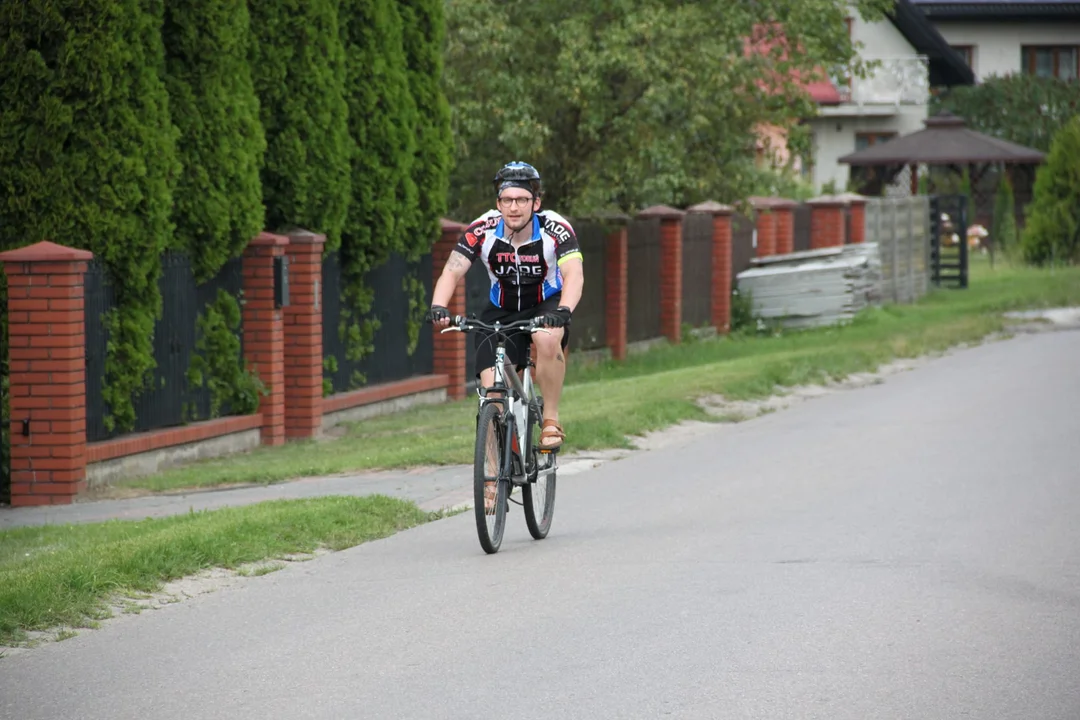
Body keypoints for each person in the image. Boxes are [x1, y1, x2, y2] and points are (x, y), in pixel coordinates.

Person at [427, 161, 583, 453]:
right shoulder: (483, 228)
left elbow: (574, 273)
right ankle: (493, 482)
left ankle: (551, 418)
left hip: (546, 305)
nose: (514, 207)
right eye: (507, 200)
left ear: (536, 203)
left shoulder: (555, 228)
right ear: (498, 203)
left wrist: (564, 310)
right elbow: (452, 270)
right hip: (501, 308)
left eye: (522, 200)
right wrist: (438, 306)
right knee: (491, 398)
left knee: (547, 339)